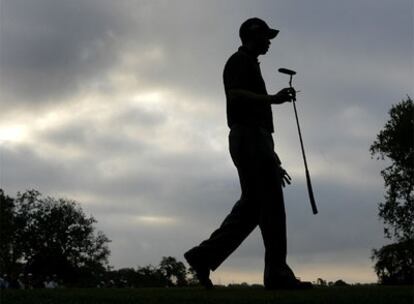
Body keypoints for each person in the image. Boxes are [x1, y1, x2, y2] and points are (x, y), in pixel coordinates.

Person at [184, 18, 312, 290]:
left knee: (254, 207)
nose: (269, 42)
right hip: (249, 137)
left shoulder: (251, 64)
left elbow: (257, 118)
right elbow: (235, 96)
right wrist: (273, 99)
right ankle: (277, 273)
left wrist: (273, 159)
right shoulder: (238, 61)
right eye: (266, 37)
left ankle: (203, 256)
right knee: (272, 207)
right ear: (252, 37)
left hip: (256, 140)